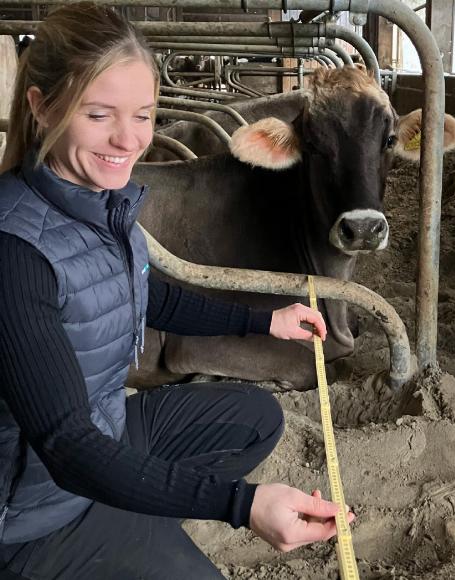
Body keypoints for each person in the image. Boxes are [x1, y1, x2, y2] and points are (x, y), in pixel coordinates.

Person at [0, 3, 353, 579]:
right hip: (30, 507)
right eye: (98, 114)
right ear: (41, 108)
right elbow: (65, 445)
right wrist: (242, 505)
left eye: (143, 114)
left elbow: (144, 297)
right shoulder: (15, 252)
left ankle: (136, 513)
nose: (128, 138)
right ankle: (119, 527)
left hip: (103, 427)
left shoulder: (100, 204)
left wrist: (263, 323)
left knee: (255, 416)